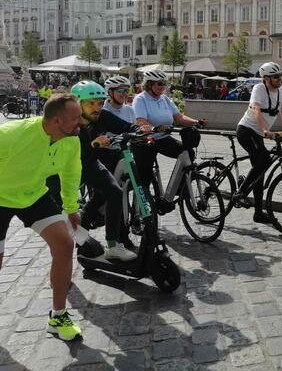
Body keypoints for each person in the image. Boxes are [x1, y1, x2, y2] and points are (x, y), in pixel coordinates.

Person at [0, 94, 83, 340]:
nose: (81, 122)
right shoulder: (11, 135)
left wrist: (71, 208)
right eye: (76, 118)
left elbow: (71, 173)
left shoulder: (72, 140)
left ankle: (58, 317)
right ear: (57, 121)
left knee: (65, 244)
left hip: (34, 195)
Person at [66, 81, 139, 259]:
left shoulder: (102, 116)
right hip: (69, 169)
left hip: (91, 164)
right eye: (90, 103)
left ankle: (113, 246)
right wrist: (94, 143)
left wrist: (141, 129)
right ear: (77, 103)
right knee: (64, 210)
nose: (97, 108)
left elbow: (124, 126)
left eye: (99, 102)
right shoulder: (69, 124)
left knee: (112, 193)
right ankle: (71, 242)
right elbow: (71, 154)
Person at [234, 62, 282, 223]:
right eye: (275, 77)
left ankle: (258, 213)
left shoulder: (281, 92)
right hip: (246, 130)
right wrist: (265, 130)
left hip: (258, 134)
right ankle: (240, 193)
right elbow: (256, 109)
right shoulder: (259, 89)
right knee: (263, 159)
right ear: (265, 79)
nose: (279, 79)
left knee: (260, 173)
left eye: (280, 76)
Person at [132, 71, 204, 190]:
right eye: (160, 84)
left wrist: (196, 122)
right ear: (149, 85)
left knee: (188, 153)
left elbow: (179, 117)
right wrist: (154, 128)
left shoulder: (164, 99)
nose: (163, 87)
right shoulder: (140, 99)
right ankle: (141, 204)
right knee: (145, 178)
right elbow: (141, 121)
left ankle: (178, 188)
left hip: (162, 138)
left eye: (164, 84)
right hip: (145, 141)